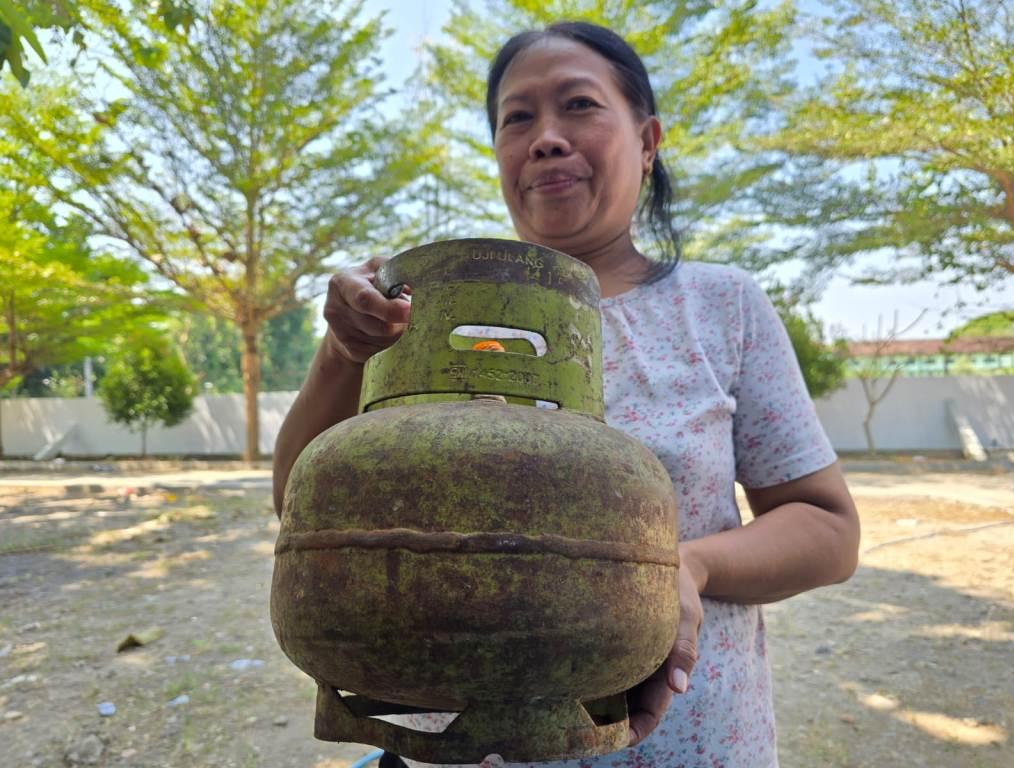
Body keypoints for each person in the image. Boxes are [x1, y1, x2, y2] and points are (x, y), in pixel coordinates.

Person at [273, 20, 860, 768]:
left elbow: (828, 528)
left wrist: (687, 567)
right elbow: (298, 506)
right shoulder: (430, 316)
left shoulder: (720, 307)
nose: (546, 138)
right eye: (517, 118)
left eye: (579, 105)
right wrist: (344, 350)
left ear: (647, 141)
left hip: (689, 742)